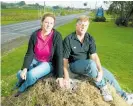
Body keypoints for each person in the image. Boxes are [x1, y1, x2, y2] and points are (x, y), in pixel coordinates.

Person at [63, 15, 133, 105]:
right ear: (76, 25)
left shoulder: (89, 38)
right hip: (74, 65)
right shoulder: (68, 39)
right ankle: (104, 88)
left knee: (109, 75)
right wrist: (66, 77)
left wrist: (100, 70)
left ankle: (124, 96)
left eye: (85, 25)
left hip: (89, 65)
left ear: (88, 26)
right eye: (81, 24)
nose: (83, 27)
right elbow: (64, 59)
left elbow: (94, 56)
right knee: (91, 64)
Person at [14, 13, 64, 97]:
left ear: (53, 24)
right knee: (19, 73)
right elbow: (29, 53)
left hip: (47, 63)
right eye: (46, 22)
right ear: (42, 22)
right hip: (35, 59)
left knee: (31, 75)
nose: (48, 25)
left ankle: (22, 88)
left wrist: (60, 75)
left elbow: (59, 55)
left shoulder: (57, 36)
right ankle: (19, 82)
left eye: (51, 23)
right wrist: (25, 68)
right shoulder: (34, 35)